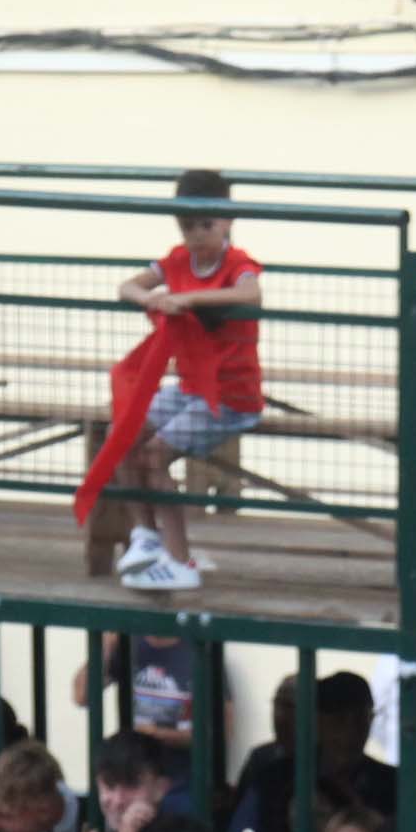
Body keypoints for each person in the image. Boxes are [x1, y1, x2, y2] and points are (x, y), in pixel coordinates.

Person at [102, 169, 264, 596]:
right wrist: (150, 298)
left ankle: (180, 559)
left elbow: (250, 295)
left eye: (206, 225)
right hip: (191, 387)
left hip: (231, 396)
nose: (196, 235)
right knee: (122, 433)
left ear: (228, 221)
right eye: (187, 226)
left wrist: (189, 298)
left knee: (155, 456)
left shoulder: (237, 265)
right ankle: (146, 535)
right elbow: (129, 285)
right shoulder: (175, 260)